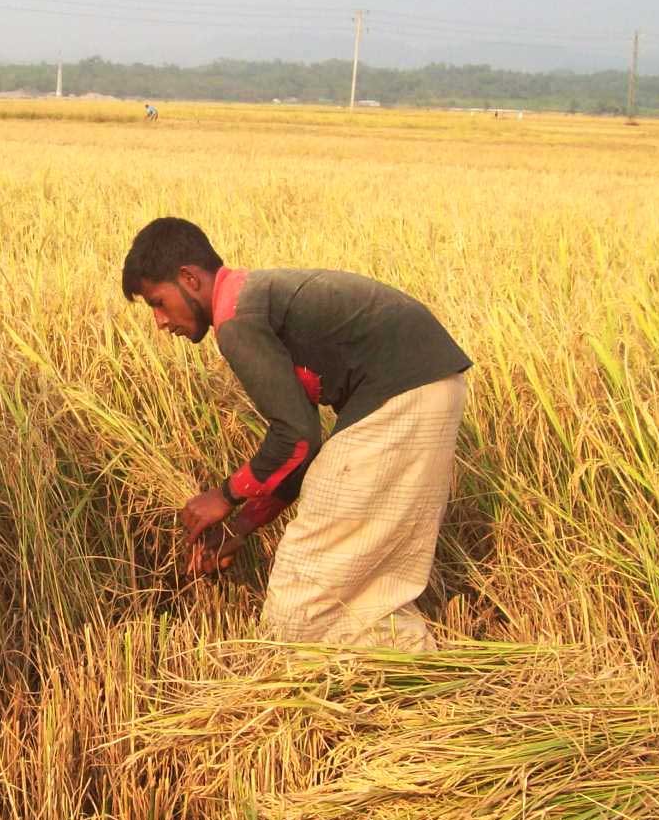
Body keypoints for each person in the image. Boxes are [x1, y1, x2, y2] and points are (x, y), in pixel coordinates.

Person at [119, 217, 471, 650]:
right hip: (423, 389)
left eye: (157, 301)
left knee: (302, 595)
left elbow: (296, 439)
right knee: (365, 588)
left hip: (401, 396)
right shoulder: (255, 296)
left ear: (189, 278)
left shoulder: (237, 320)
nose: (158, 321)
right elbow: (301, 451)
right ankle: (407, 683)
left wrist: (224, 496)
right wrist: (241, 528)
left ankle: (386, 680)